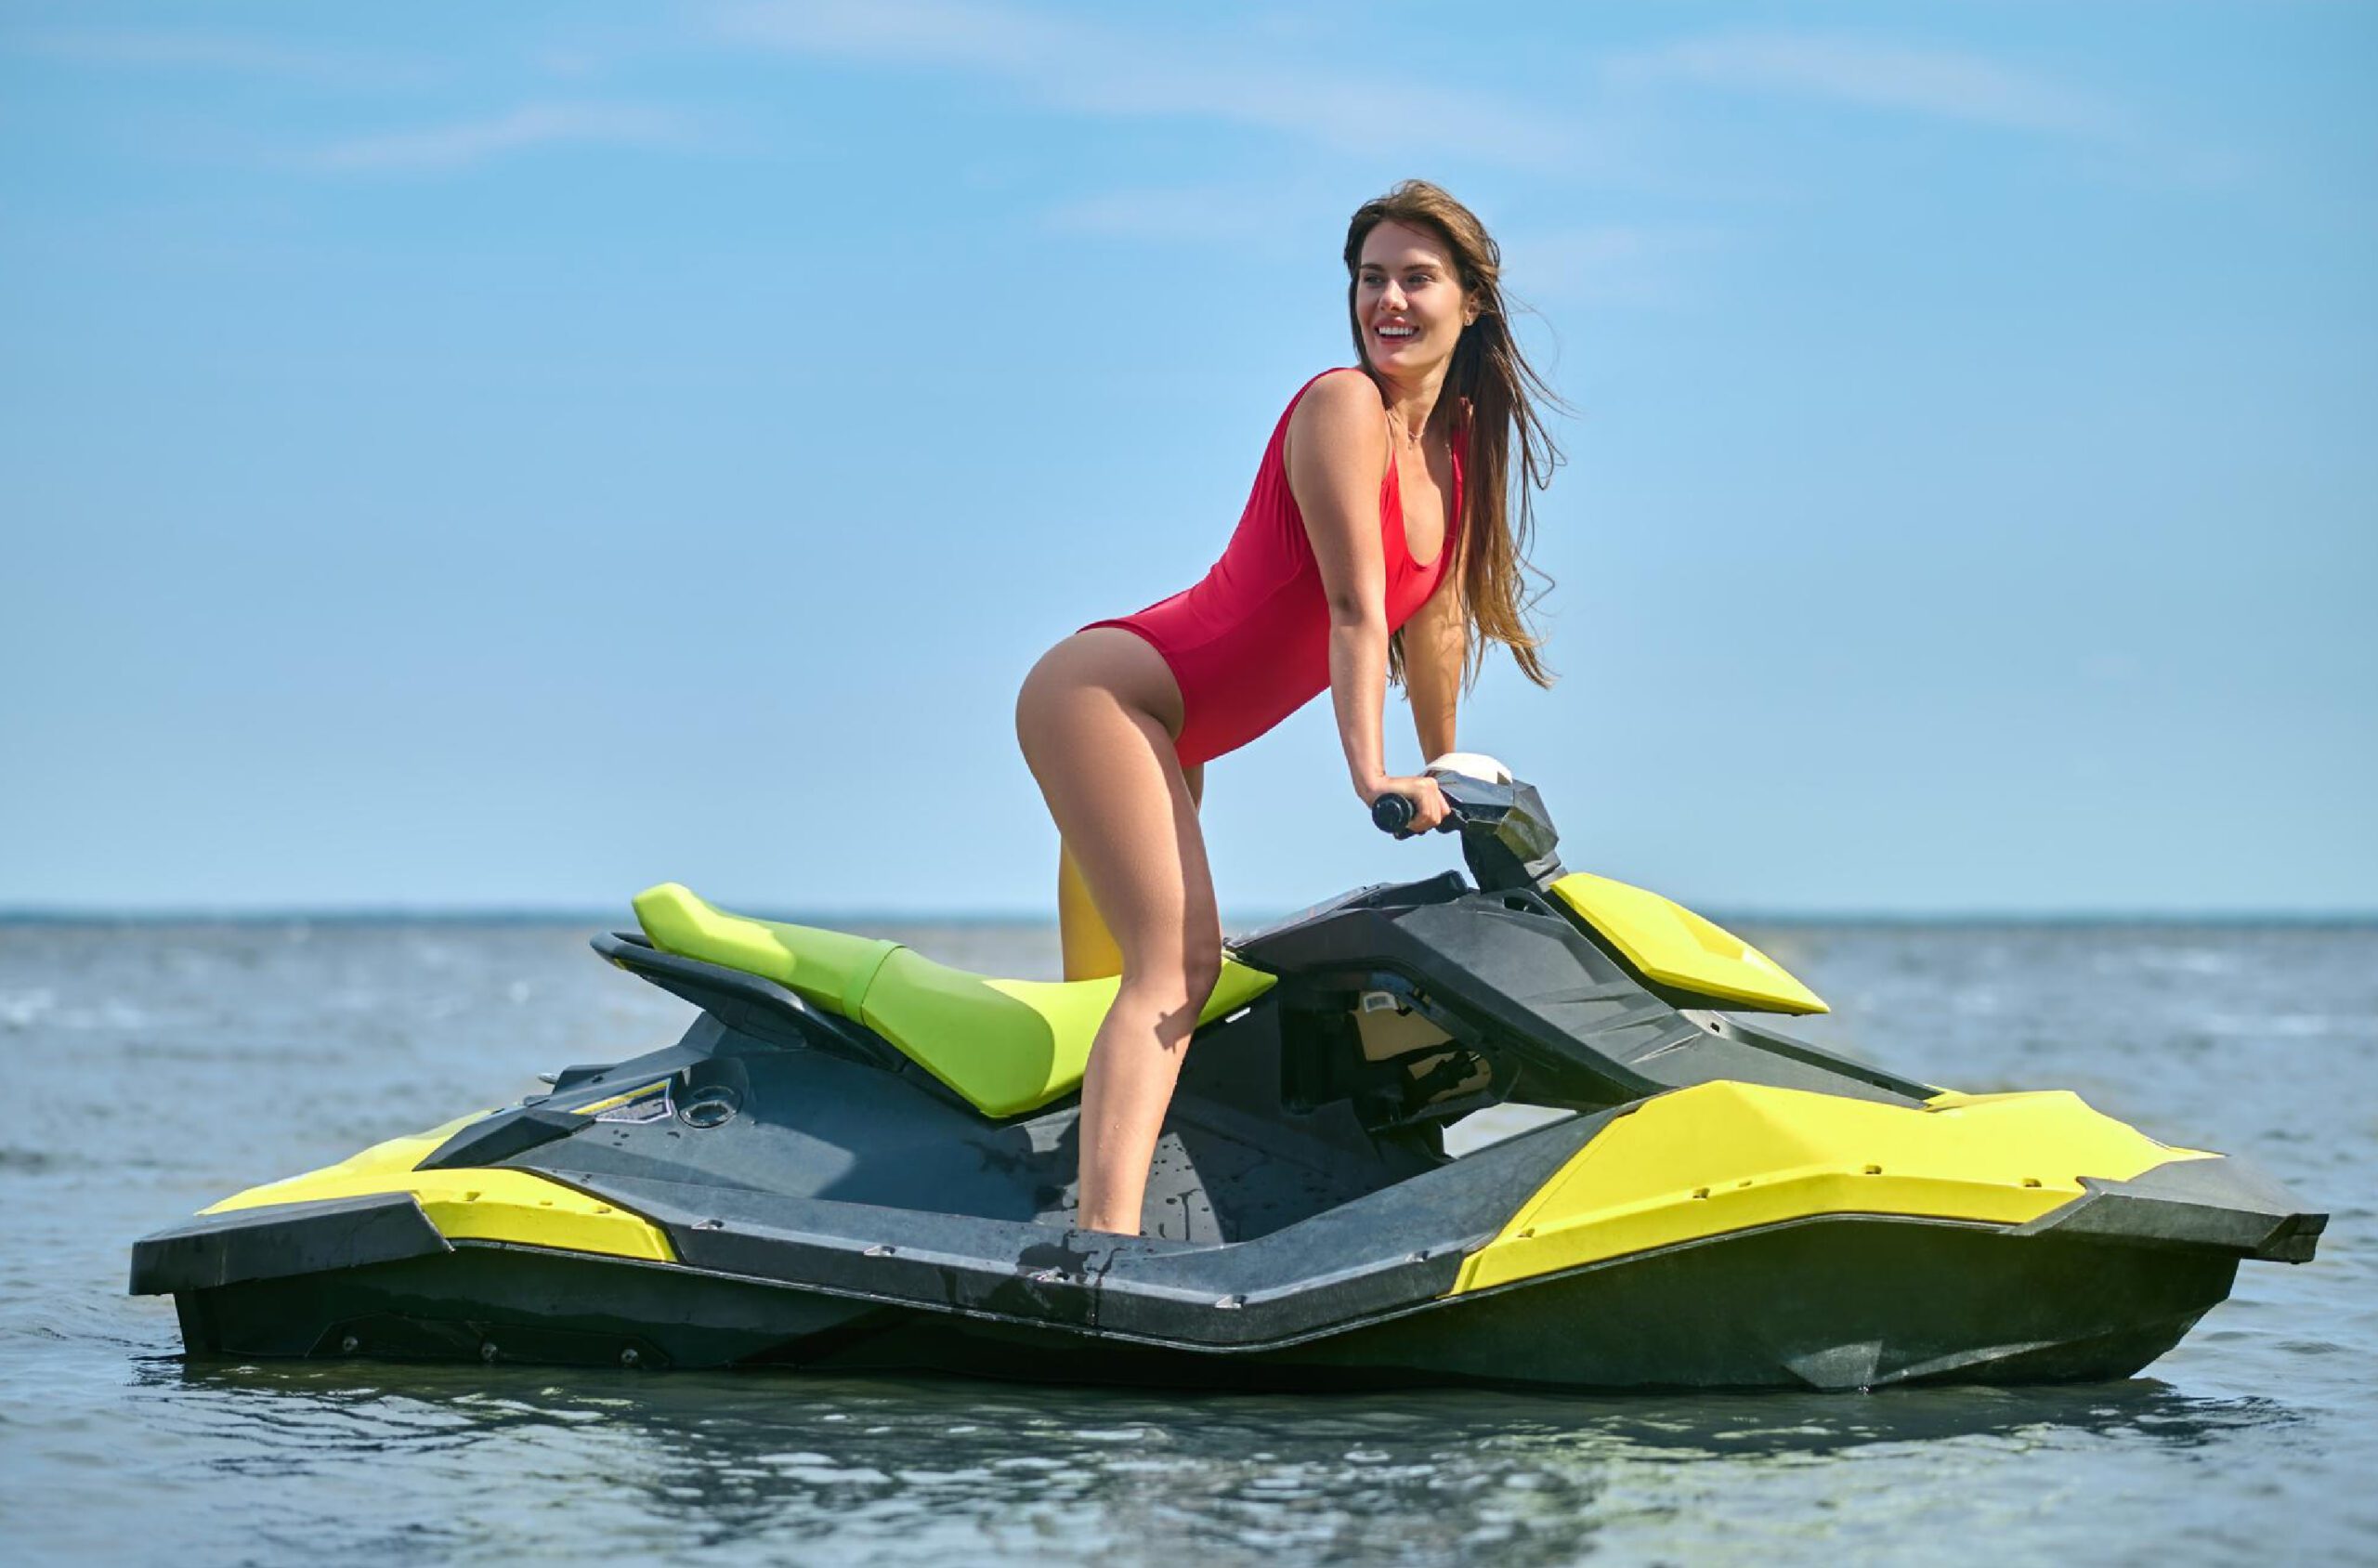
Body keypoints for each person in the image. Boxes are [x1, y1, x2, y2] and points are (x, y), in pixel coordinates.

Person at [1013, 179, 1563, 1236]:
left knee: (1131, 991)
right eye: (1371, 279)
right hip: (1106, 693)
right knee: (1175, 968)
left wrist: (1448, 769)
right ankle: (1105, 1256)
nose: (1388, 301)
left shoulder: (1454, 448)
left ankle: (1074, 1189)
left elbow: (1435, 623)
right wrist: (1372, 776)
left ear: (1472, 303)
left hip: (1176, 737)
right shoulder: (1340, 405)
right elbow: (1357, 609)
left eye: (1416, 279)